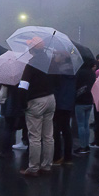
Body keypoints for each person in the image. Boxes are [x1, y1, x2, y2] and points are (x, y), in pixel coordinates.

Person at [18, 39, 56, 177]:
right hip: (51, 98)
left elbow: (23, 86)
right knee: (48, 136)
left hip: (36, 101)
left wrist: (22, 103)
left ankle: (33, 168)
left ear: (33, 49)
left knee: (34, 137)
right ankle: (47, 166)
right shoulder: (50, 62)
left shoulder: (32, 64)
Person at [52, 72, 76, 166]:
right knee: (66, 129)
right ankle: (68, 157)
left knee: (56, 130)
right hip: (68, 103)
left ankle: (57, 156)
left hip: (58, 103)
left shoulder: (58, 72)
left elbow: (56, 88)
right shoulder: (73, 73)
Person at [73, 59, 96, 155]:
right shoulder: (92, 73)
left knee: (81, 124)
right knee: (86, 124)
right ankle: (87, 145)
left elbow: (75, 85)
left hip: (80, 101)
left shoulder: (80, 72)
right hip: (89, 100)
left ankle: (82, 146)